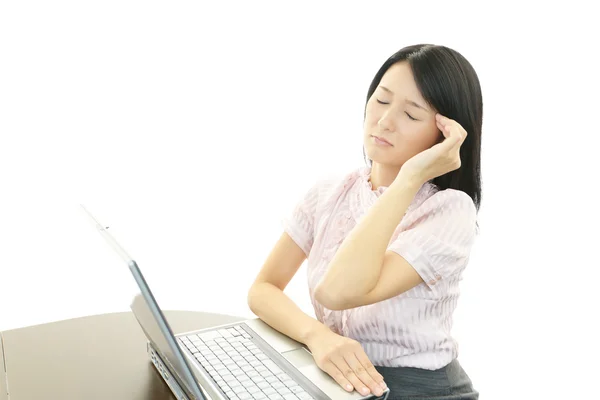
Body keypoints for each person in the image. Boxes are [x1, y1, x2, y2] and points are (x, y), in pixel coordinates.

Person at [247, 43, 483, 400]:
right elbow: (263, 289)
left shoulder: (449, 211)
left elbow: (338, 292)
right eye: (382, 100)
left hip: (418, 389)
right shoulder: (329, 191)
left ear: (446, 135)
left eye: (412, 114)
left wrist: (409, 178)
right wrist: (317, 336)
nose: (385, 121)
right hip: (337, 375)